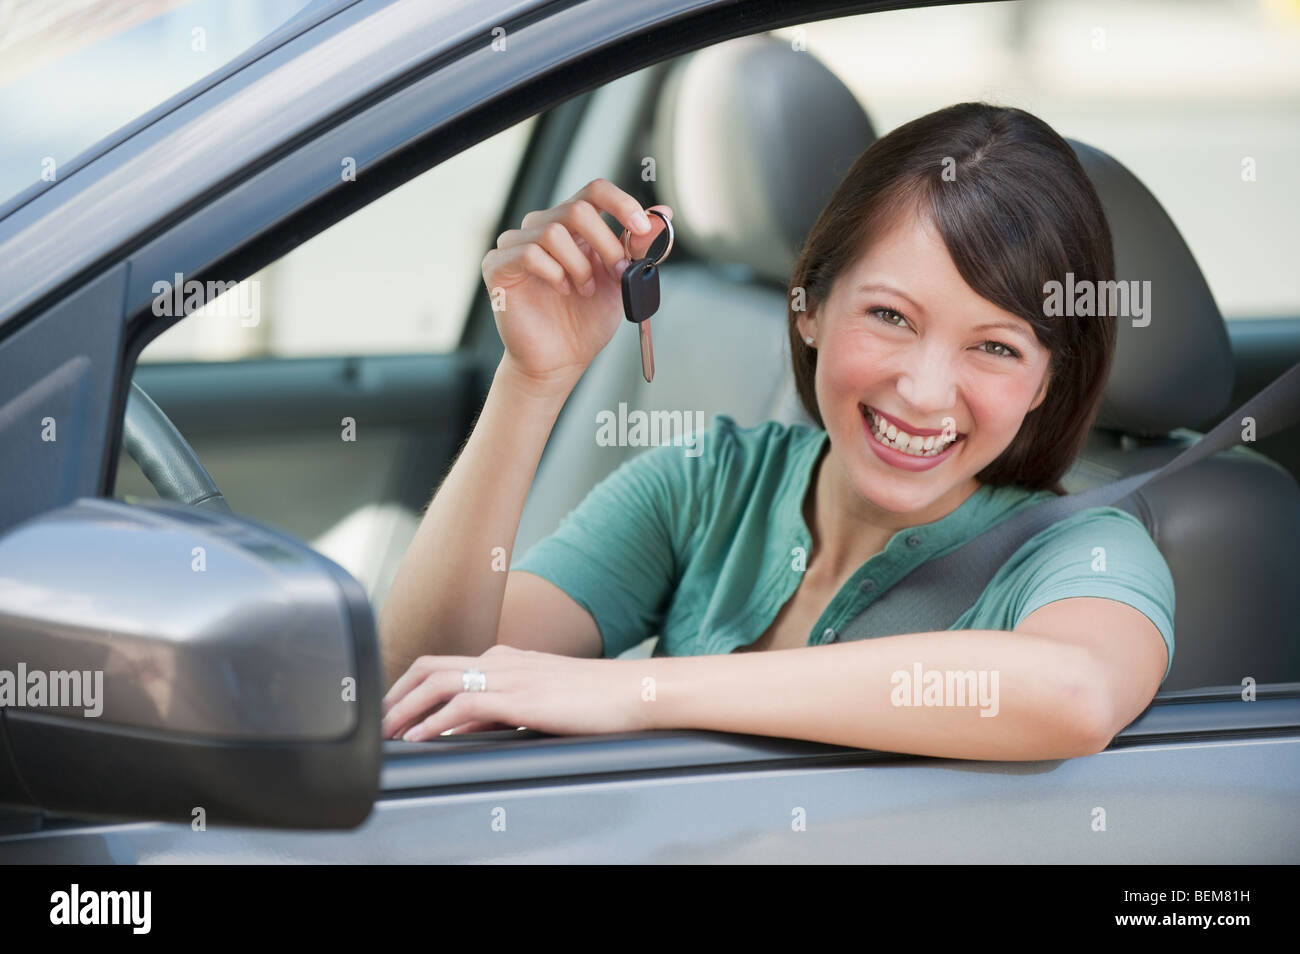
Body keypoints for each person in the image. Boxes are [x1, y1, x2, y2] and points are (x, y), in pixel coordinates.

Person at [378, 102, 1175, 759]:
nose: (927, 393)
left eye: (997, 347)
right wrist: (532, 380)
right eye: (890, 316)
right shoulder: (710, 483)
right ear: (811, 311)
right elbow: (424, 679)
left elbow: (1074, 693)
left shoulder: (1085, 552)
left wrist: (639, 689)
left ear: (1047, 381)